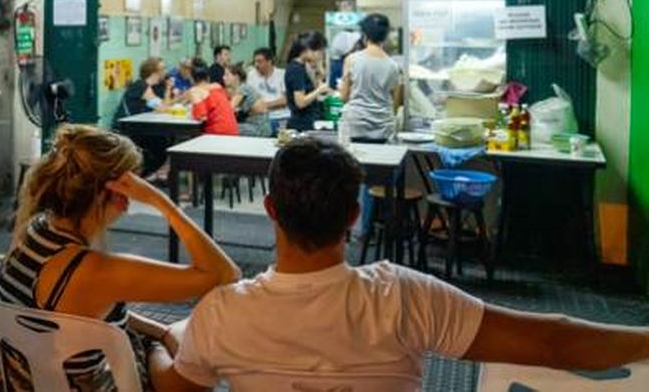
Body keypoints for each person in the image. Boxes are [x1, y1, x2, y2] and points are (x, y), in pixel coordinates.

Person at [161, 139, 649, 391]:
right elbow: (553, 340)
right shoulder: (405, 294)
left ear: (269, 209)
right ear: (354, 215)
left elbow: (173, 387)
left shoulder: (220, 314)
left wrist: (163, 341)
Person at [0, 125, 240, 391]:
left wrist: (160, 332)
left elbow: (93, 311)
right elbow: (224, 275)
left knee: (178, 334)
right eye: (128, 186)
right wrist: (162, 203)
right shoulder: (91, 271)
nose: (129, 201)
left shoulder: (35, 229)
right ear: (106, 190)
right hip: (89, 383)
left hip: (28, 382)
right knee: (202, 358)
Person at [339, 13, 402, 142]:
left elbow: (344, 97)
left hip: (356, 125)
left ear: (364, 36)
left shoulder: (352, 60)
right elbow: (395, 102)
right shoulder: (394, 66)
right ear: (385, 37)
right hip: (383, 127)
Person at [113, 57, 172, 179]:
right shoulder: (142, 86)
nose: (165, 72)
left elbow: (162, 107)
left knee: (163, 142)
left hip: (136, 127)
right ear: (156, 72)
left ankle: (143, 175)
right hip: (126, 129)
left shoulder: (145, 86)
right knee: (161, 146)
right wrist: (168, 89)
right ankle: (140, 176)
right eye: (163, 69)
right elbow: (163, 108)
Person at [283, 32, 330, 133]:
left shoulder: (303, 66)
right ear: (308, 49)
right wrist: (319, 90)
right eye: (320, 51)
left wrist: (319, 70)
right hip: (302, 124)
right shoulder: (295, 69)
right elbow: (300, 102)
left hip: (309, 121)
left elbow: (316, 89)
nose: (321, 55)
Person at [247, 48, 290, 133]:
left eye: (259, 61)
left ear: (269, 61)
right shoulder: (252, 75)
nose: (256, 65)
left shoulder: (282, 74)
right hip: (260, 117)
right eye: (254, 62)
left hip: (280, 116)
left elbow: (285, 100)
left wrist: (264, 105)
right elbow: (250, 100)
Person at [186, 65, 238, 136]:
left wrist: (192, 114)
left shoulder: (195, 91)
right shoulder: (217, 86)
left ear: (191, 79)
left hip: (217, 133)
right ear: (208, 78)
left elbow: (202, 117)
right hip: (233, 131)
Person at [225, 64, 270, 137]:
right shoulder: (241, 88)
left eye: (227, 75)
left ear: (236, 77)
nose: (223, 78)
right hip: (256, 126)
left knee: (225, 128)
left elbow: (228, 111)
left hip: (258, 128)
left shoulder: (243, 89)